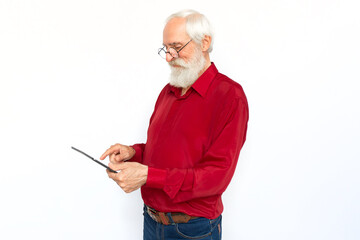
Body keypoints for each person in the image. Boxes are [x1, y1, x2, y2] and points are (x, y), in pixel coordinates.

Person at [100, 9, 249, 240]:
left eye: (176, 47)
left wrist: (149, 176)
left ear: (204, 42)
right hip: (151, 222)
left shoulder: (230, 96)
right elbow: (164, 152)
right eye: (166, 49)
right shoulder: (169, 91)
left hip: (192, 230)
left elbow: (216, 176)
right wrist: (134, 152)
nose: (169, 57)